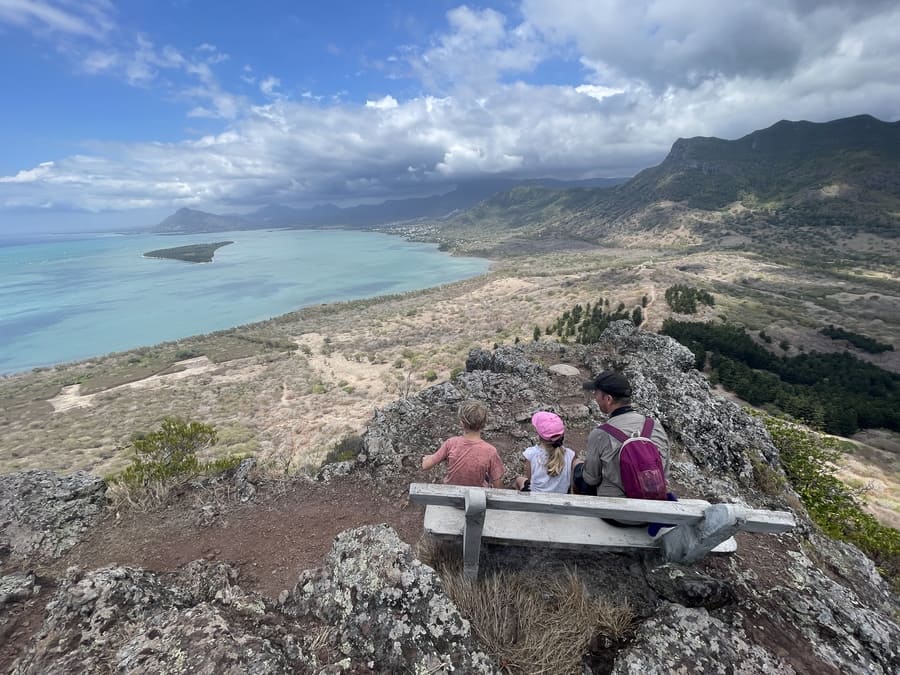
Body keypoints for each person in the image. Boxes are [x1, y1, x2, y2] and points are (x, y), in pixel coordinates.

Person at [573, 370, 670, 498]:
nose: (594, 397)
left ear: (608, 399)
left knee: (576, 467)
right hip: (653, 507)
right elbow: (665, 473)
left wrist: (577, 465)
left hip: (618, 514)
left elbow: (591, 479)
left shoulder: (600, 434)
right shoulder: (655, 426)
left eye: (596, 393)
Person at [421, 399, 505, 488]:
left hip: (451, 496)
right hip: (476, 498)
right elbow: (497, 484)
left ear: (461, 423)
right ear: (484, 423)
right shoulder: (490, 451)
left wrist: (426, 458)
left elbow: (425, 466)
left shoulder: (451, 443)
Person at [515, 411, 576, 493]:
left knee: (519, 480)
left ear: (539, 435)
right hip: (561, 501)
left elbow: (530, 481)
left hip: (537, 501)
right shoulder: (570, 455)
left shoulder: (531, 454)